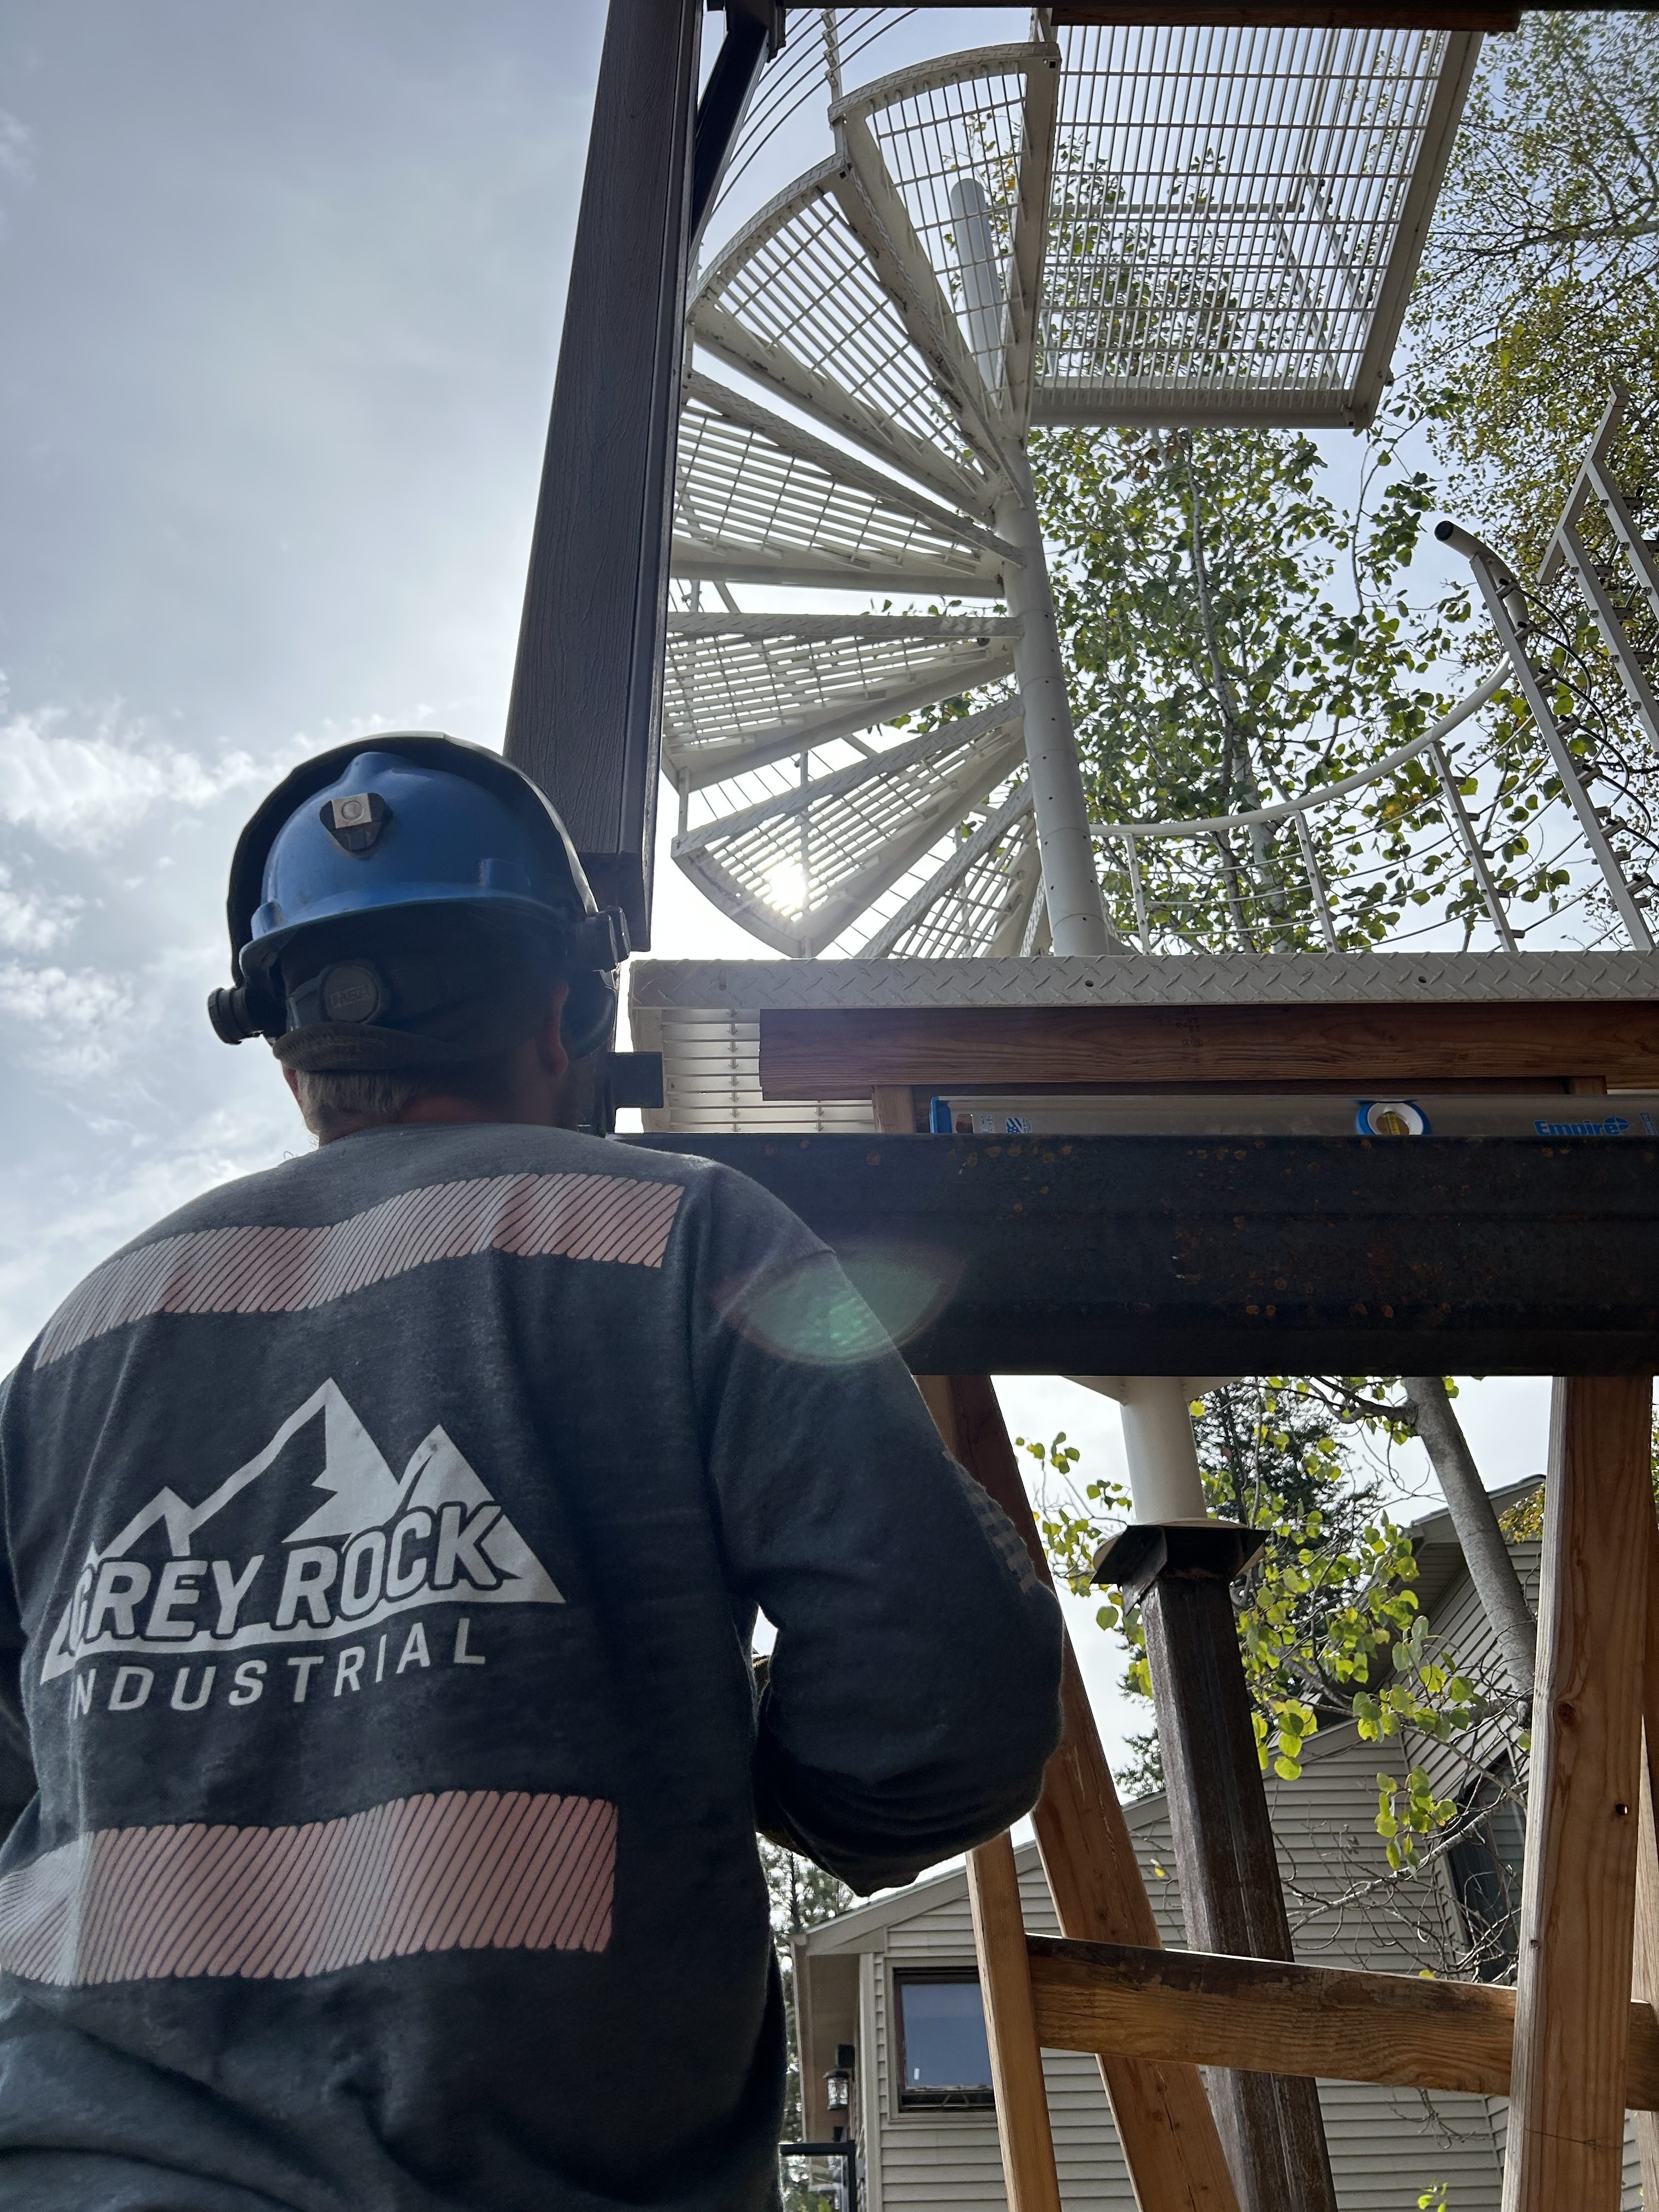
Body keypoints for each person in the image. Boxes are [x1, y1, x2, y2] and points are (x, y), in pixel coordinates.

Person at [0, 733, 1064, 2212]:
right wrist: (744, 1766)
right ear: (570, 1004)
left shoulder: (81, 1337)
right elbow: (943, 1690)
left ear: (292, 1050)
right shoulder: (685, 1232)